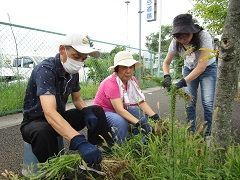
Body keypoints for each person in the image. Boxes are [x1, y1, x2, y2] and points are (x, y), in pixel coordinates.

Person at [20, 34, 113, 167]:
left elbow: (77, 99)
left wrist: (86, 111)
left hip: (59, 116)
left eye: (84, 58)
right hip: (35, 121)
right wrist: (78, 140)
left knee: (96, 110)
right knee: (42, 131)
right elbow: (49, 112)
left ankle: (97, 155)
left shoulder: (73, 72)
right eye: (76, 56)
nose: (79, 62)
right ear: (62, 50)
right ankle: (54, 169)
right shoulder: (46, 69)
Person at [162, 14, 217, 137]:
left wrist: (181, 82)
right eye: (179, 37)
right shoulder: (175, 42)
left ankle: (209, 134)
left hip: (208, 68)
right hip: (189, 68)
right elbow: (166, 63)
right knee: (189, 101)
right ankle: (191, 132)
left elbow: (201, 67)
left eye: (186, 34)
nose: (183, 39)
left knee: (207, 102)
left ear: (192, 30)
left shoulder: (204, 36)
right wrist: (167, 76)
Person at [93, 51, 160, 143]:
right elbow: (119, 110)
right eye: (124, 67)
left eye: (131, 67)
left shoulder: (132, 80)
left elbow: (140, 102)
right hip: (104, 111)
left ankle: (141, 141)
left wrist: (156, 117)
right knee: (120, 122)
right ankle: (122, 145)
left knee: (140, 115)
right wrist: (139, 124)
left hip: (121, 107)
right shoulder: (111, 83)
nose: (128, 71)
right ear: (117, 69)